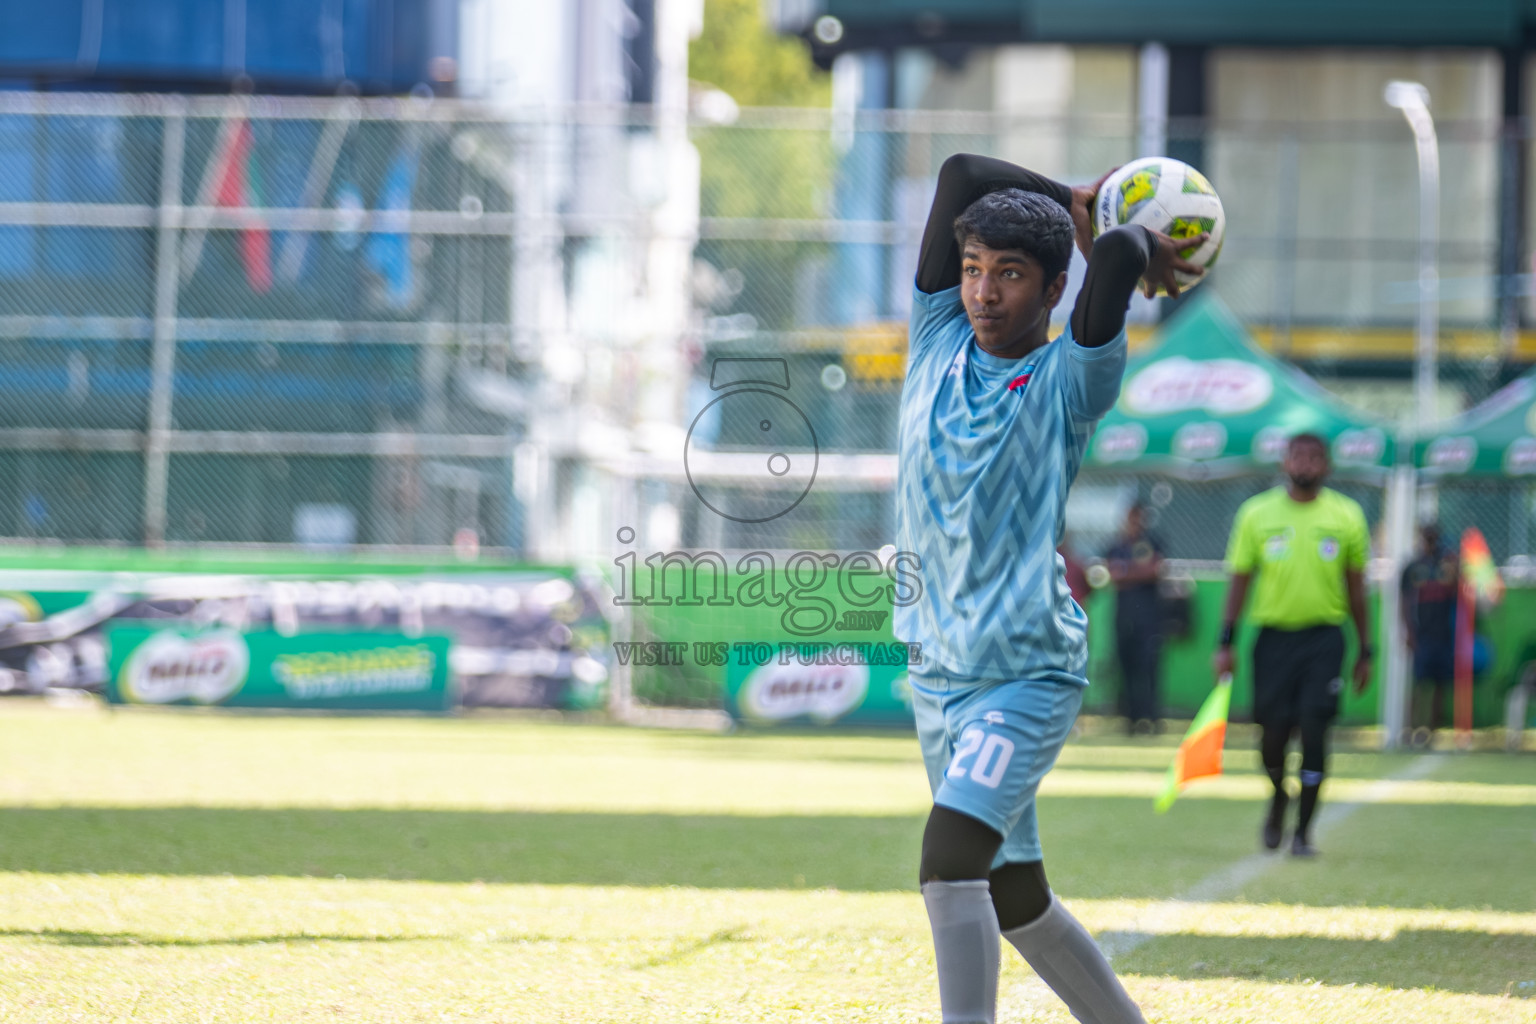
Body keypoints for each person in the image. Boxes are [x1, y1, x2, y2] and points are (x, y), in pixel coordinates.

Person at [896, 151, 1202, 1024]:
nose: (983, 293)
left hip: (1024, 675)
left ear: (1054, 287)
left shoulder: (1072, 378)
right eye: (972, 269)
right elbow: (959, 172)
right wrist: (1070, 196)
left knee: (949, 860)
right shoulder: (937, 337)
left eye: (1010, 275)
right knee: (1015, 895)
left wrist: (1118, 233)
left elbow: (1119, 256)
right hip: (938, 677)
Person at [1213, 433, 1373, 858]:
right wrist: (1225, 642)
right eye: (1297, 456)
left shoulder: (1346, 515)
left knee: (1316, 730)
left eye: (1314, 457)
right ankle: (1278, 794)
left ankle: (1303, 832)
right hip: (1273, 641)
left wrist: (1366, 649)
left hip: (1324, 640)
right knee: (1272, 735)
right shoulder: (1256, 513)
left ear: (1327, 465)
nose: (1305, 464)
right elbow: (1239, 580)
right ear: (1284, 462)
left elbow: (1357, 589)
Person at [1105, 502, 1166, 734]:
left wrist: (1126, 572)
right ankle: (1129, 719)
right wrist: (1139, 571)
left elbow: (1155, 570)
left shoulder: (1153, 542)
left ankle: (1151, 718)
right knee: (1126, 666)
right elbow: (1112, 574)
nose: (1136, 523)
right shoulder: (1116, 545)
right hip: (1124, 618)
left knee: (1149, 667)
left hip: (1150, 619)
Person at [1399, 522, 1458, 743]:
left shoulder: (1448, 565)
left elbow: (1459, 593)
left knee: (1440, 684)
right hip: (1422, 634)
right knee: (1418, 683)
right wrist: (1408, 631)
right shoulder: (1414, 567)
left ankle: (1432, 731)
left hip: (1444, 634)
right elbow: (1405, 601)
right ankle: (1409, 728)